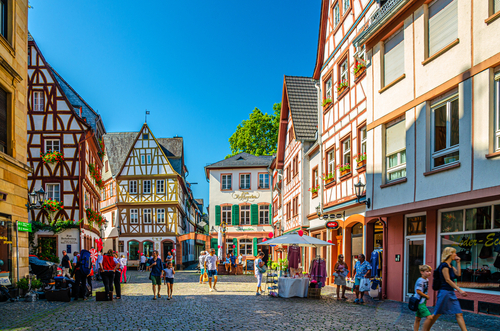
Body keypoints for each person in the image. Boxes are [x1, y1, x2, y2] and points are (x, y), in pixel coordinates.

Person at [426, 247, 467, 331]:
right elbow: (447, 279)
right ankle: (426, 329)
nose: (456, 254)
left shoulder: (450, 266)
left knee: (459, 313)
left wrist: (458, 262)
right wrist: (459, 290)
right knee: (437, 314)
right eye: (454, 253)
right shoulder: (444, 265)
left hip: (450, 292)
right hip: (444, 292)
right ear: (449, 254)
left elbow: (458, 274)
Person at [413, 265, 433, 331]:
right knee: (429, 317)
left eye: (429, 271)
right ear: (422, 272)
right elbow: (418, 291)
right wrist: (426, 296)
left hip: (422, 301)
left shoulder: (426, 279)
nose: (429, 273)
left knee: (417, 318)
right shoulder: (420, 280)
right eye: (427, 271)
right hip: (420, 302)